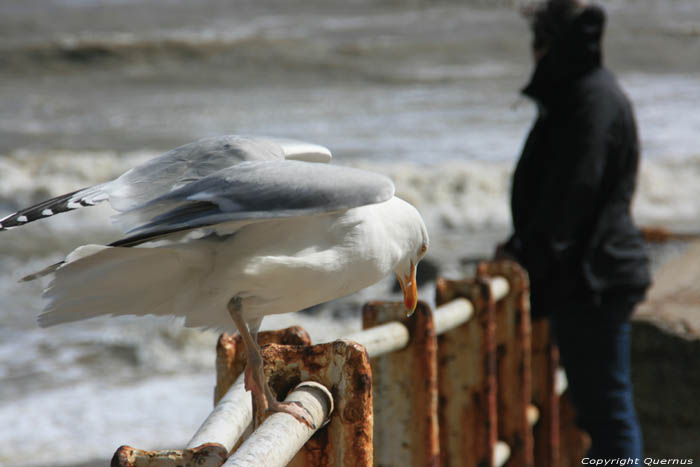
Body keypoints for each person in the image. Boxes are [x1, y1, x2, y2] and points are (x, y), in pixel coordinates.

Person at [496, 0, 651, 460]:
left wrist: (525, 252)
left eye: (537, 44)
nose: (534, 57)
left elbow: (571, 195)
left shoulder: (589, 100)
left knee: (606, 414)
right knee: (602, 410)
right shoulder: (586, 94)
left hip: (594, 278)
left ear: (550, 45)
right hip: (590, 272)